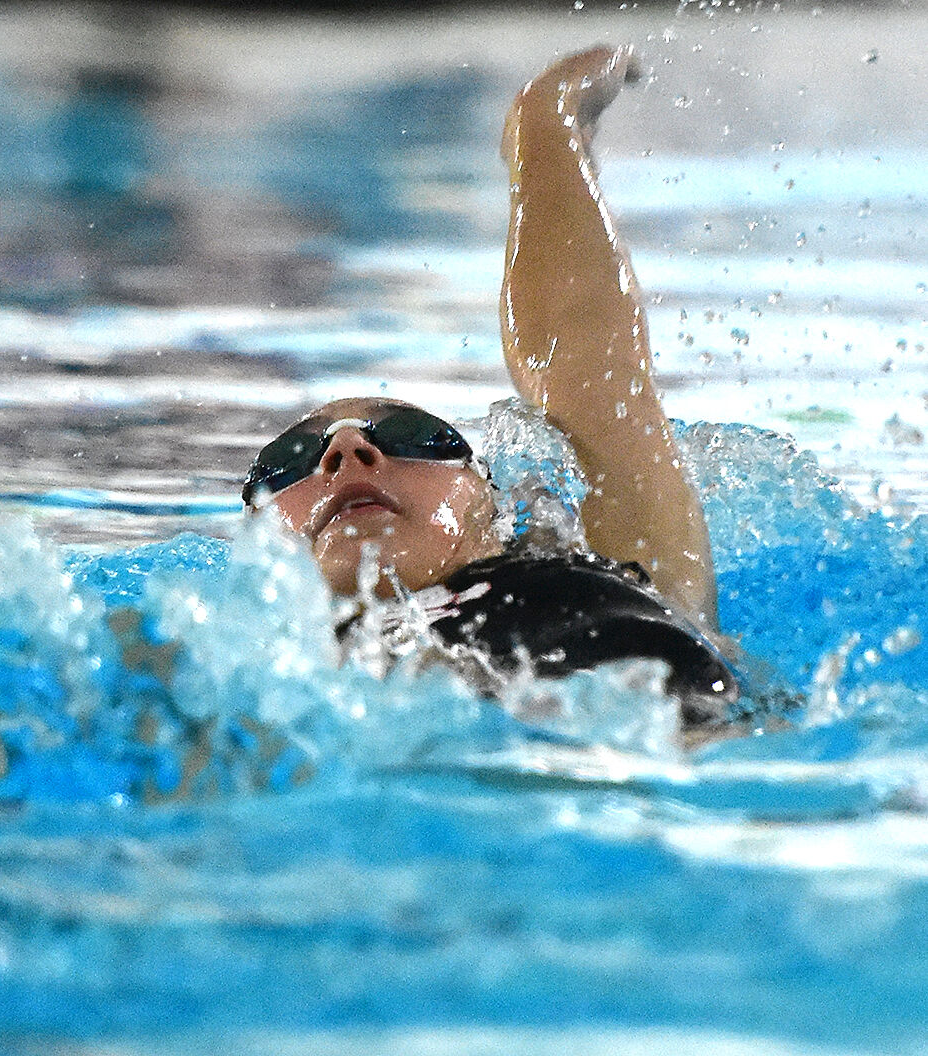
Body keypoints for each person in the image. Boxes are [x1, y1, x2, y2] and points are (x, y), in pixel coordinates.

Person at [242, 47, 738, 724]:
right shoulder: (243, 670)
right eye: (287, 464)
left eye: (416, 439)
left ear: (492, 505)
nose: (350, 451)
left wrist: (545, 123)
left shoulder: (625, 569)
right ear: (253, 550)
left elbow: (590, 372)